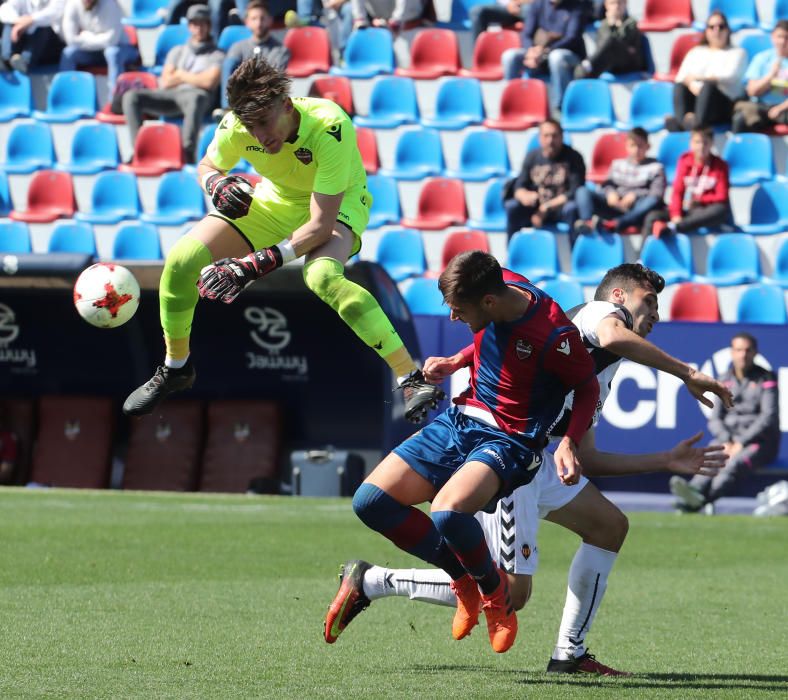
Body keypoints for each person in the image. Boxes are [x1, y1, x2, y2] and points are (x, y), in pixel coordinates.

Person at [324, 263, 733, 674]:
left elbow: (586, 458)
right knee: (512, 592)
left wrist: (664, 461)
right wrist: (688, 372)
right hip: (513, 451)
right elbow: (608, 332)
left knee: (608, 527)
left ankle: (569, 654)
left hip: (543, 454)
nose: (656, 315)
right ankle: (375, 581)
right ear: (619, 298)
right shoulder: (598, 317)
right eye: (649, 302)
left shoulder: (594, 362)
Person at [122, 57, 444, 424]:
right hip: (275, 201)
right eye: (249, 126)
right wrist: (216, 183)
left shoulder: (329, 126)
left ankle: (409, 376)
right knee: (182, 258)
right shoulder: (235, 126)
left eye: (264, 122)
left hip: (337, 204)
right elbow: (208, 166)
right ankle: (176, 365)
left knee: (322, 277)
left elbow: (320, 226)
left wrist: (254, 264)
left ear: (287, 105)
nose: (258, 135)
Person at [341, 250, 600, 654]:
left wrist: (570, 441)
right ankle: (464, 582)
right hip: (461, 419)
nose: (452, 318)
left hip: (510, 440)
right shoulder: (496, 284)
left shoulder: (553, 334)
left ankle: (496, 599)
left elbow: (586, 388)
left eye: (458, 310)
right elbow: (488, 340)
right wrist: (455, 359)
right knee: (371, 502)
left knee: (447, 511)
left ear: (489, 302)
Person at [671, 332, 781, 515]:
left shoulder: (767, 379)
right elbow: (715, 418)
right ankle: (693, 492)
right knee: (710, 457)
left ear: (755, 353)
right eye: (738, 350)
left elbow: (768, 417)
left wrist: (741, 442)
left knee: (731, 465)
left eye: (747, 350)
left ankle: (698, 502)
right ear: (731, 352)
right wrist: (727, 440)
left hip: (760, 444)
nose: (743, 355)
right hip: (728, 441)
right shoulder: (723, 379)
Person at [121, 4, 223, 164]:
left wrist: (180, 74)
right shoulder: (177, 51)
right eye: (195, 23)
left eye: (203, 23)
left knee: (195, 98)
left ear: (209, 26)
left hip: (199, 98)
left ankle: (187, 153)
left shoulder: (217, 54)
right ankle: (139, 149)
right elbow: (166, 81)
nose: (199, 28)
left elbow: (208, 82)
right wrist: (195, 78)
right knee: (131, 97)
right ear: (189, 26)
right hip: (173, 96)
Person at [642, 126, 731, 241]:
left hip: (706, 211)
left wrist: (700, 200)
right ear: (691, 143)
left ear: (712, 143)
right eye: (697, 142)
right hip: (687, 210)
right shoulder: (684, 161)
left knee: (720, 210)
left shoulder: (720, 165)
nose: (701, 147)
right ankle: (643, 257)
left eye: (705, 143)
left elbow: (722, 196)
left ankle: (674, 227)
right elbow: (678, 191)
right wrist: (675, 214)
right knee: (653, 216)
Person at [504, 119, 586, 240]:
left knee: (572, 208)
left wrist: (546, 207)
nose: (550, 140)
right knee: (512, 206)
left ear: (562, 136)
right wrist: (523, 195)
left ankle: (577, 254)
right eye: (546, 135)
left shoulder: (574, 157)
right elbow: (519, 185)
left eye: (554, 136)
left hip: (560, 207)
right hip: (535, 206)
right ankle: (512, 252)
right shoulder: (532, 156)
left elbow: (575, 191)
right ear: (540, 138)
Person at [501, 0, 587, 114]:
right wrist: (530, 51)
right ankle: (512, 103)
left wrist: (546, 51)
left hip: (568, 55)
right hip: (538, 53)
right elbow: (526, 34)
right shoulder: (538, 4)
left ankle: (560, 107)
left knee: (556, 57)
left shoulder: (576, 7)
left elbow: (572, 38)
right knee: (510, 56)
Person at [665, 10, 746, 131]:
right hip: (698, 99)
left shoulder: (737, 52)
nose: (716, 30)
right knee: (680, 87)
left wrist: (699, 79)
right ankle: (686, 122)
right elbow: (681, 77)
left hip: (724, 104)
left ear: (728, 30)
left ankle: (688, 126)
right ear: (706, 31)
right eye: (712, 27)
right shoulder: (696, 51)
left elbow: (730, 76)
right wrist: (694, 86)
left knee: (709, 87)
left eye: (721, 27)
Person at [574, 127, 665, 235]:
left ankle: (618, 223)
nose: (636, 150)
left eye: (640, 146)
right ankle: (587, 223)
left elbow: (656, 194)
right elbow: (607, 185)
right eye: (632, 145)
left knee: (652, 201)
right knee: (582, 190)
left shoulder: (656, 167)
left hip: (636, 208)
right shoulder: (617, 164)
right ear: (626, 146)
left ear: (648, 146)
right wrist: (610, 194)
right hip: (615, 205)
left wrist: (635, 195)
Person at [214, 0, 289, 118]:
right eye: (254, 18)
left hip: (266, 107)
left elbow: (273, 79)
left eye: (262, 18)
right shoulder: (237, 47)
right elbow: (228, 72)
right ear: (247, 22)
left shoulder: (280, 50)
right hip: (238, 103)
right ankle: (226, 109)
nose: (259, 23)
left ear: (270, 20)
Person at [59, 0, 139, 91]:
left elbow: (111, 41)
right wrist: (98, 39)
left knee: (112, 52)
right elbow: (71, 40)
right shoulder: (72, 4)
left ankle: (115, 100)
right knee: (69, 53)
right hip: (93, 52)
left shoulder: (110, 4)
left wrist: (85, 36)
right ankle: (66, 95)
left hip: (123, 50)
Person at [732, 20, 788, 134]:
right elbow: (752, 91)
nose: (783, 41)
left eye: (787, 37)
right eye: (780, 37)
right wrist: (771, 76)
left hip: (784, 108)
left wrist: (780, 108)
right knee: (741, 119)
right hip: (761, 106)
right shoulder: (762, 58)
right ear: (772, 37)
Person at [574, 0, 644, 79]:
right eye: (613, 3)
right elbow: (601, 46)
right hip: (610, 62)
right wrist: (611, 25)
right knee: (608, 44)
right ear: (606, 6)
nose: (617, 6)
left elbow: (618, 43)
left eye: (620, 3)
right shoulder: (604, 24)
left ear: (625, 4)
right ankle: (588, 72)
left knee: (610, 41)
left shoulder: (631, 22)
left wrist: (612, 26)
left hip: (629, 63)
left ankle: (587, 66)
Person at [0, 0, 65, 73]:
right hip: (22, 35)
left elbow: (54, 13)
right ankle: (6, 59)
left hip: (50, 44)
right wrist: (18, 21)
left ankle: (25, 62)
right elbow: (5, 8)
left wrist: (30, 20)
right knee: (9, 24)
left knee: (43, 26)